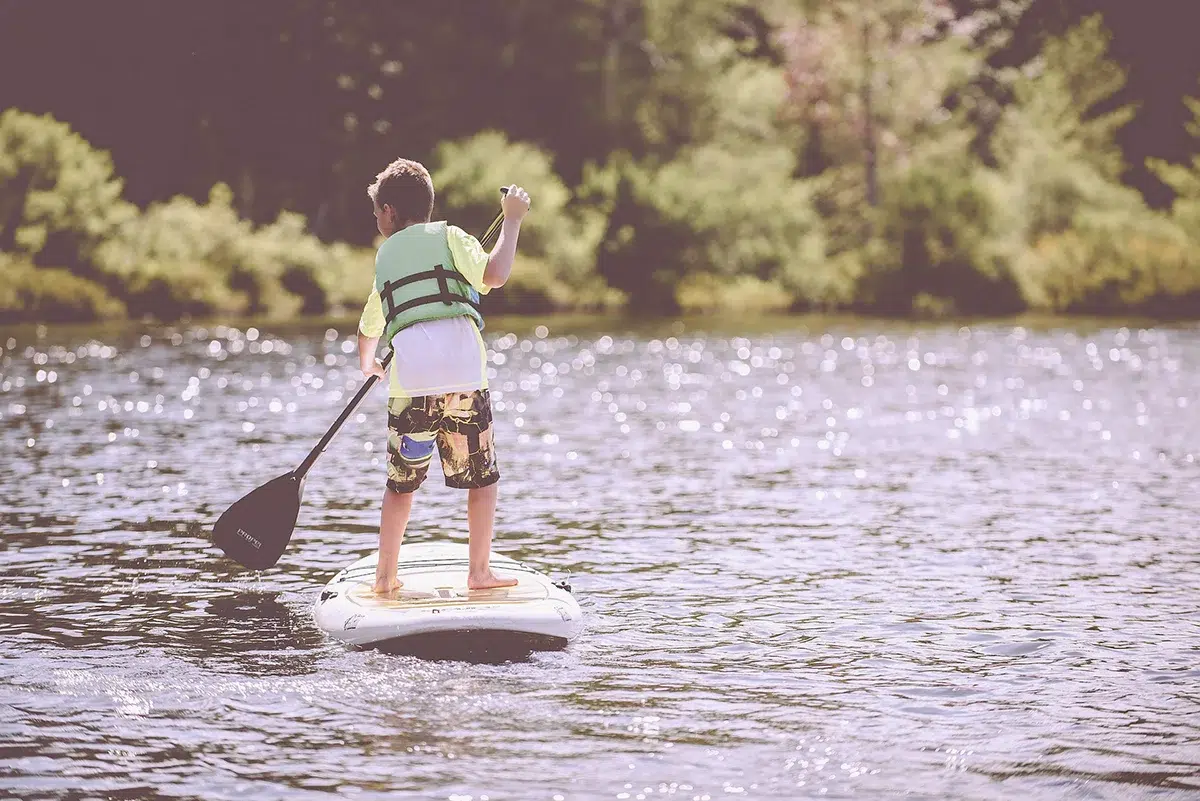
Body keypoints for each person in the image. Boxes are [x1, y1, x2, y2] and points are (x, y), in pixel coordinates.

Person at [356, 157, 530, 595]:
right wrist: (511, 223)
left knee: (401, 486)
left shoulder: (384, 257)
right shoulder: (452, 237)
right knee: (482, 478)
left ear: (390, 212)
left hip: (411, 385)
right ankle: (479, 573)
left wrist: (368, 363)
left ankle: (384, 577)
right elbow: (496, 273)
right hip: (465, 380)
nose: (376, 218)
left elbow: (370, 325)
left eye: (377, 210)